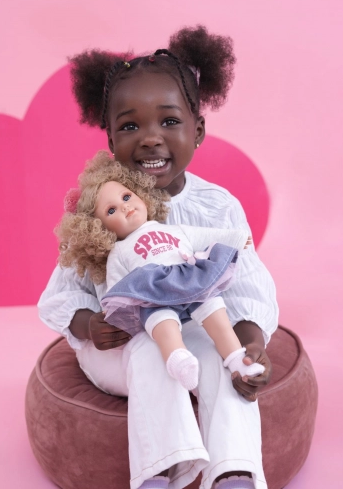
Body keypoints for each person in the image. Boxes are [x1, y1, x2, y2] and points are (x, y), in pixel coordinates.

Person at [38, 25, 278, 489]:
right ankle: (159, 473)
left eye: (169, 121)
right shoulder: (97, 210)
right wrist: (90, 325)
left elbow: (247, 283)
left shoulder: (217, 206)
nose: (150, 139)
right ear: (111, 141)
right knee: (151, 350)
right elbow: (62, 294)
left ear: (198, 130)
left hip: (198, 334)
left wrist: (250, 344)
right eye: (130, 126)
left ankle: (234, 472)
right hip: (123, 346)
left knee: (225, 360)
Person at [56, 150, 265, 391]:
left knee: (214, 306)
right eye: (111, 211)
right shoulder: (119, 252)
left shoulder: (174, 229)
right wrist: (113, 313)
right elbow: (116, 289)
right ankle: (178, 359)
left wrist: (237, 238)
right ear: (100, 229)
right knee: (160, 321)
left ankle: (237, 359)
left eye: (126, 197)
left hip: (189, 282)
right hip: (154, 296)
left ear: (141, 195)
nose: (124, 207)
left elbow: (205, 235)